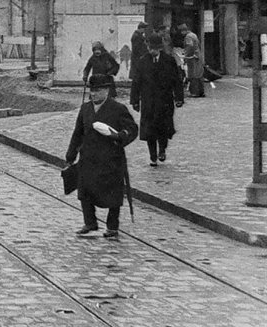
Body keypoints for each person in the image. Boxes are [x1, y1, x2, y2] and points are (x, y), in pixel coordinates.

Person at [65, 74, 138, 240]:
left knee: (113, 193)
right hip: (88, 157)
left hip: (110, 158)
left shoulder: (118, 109)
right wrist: (70, 155)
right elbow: (78, 133)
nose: (94, 94)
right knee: (85, 190)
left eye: (97, 91)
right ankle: (90, 222)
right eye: (92, 91)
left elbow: (132, 129)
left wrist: (121, 136)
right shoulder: (85, 109)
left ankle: (112, 227)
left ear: (106, 91)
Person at [130, 33, 184, 167]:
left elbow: (176, 80)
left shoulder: (169, 60)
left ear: (159, 48)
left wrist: (179, 98)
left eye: (154, 48)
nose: (152, 51)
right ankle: (152, 155)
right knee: (149, 130)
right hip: (148, 101)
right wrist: (135, 100)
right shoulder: (143, 61)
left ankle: (162, 149)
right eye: (150, 48)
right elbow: (136, 82)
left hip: (165, 101)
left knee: (164, 128)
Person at [179, 23, 204, 97]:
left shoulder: (188, 37)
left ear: (184, 31)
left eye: (181, 31)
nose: (181, 33)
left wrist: (185, 56)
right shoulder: (193, 35)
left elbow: (189, 46)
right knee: (199, 74)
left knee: (193, 75)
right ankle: (201, 91)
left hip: (192, 58)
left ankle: (194, 92)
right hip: (197, 55)